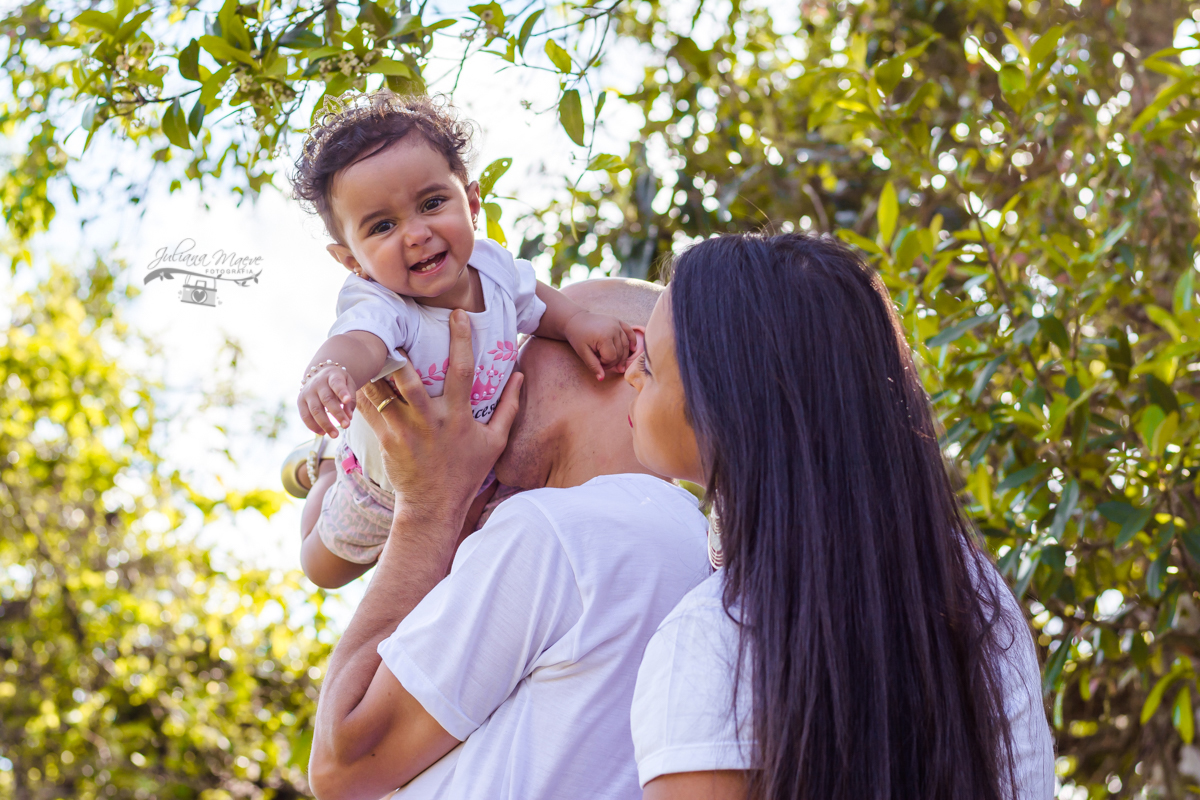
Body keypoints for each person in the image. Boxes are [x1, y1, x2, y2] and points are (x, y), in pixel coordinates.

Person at [623, 233, 1055, 800]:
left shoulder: (712, 639)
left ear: (727, 403)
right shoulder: (977, 598)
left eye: (650, 365)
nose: (630, 373)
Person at [307, 279, 712, 800]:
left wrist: (429, 508)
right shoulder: (696, 553)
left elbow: (343, 764)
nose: (497, 375)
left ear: (618, 351)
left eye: (523, 340)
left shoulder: (555, 531)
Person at [282, 91, 633, 587]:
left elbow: (536, 301)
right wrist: (328, 373)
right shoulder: (382, 305)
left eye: (431, 203)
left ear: (470, 203)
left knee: (479, 559)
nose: (416, 233)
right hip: (382, 482)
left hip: (474, 466)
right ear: (353, 261)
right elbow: (357, 343)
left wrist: (576, 322)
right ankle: (321, 470)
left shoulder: (492, 267)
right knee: (324, 569)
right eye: (383, 226)